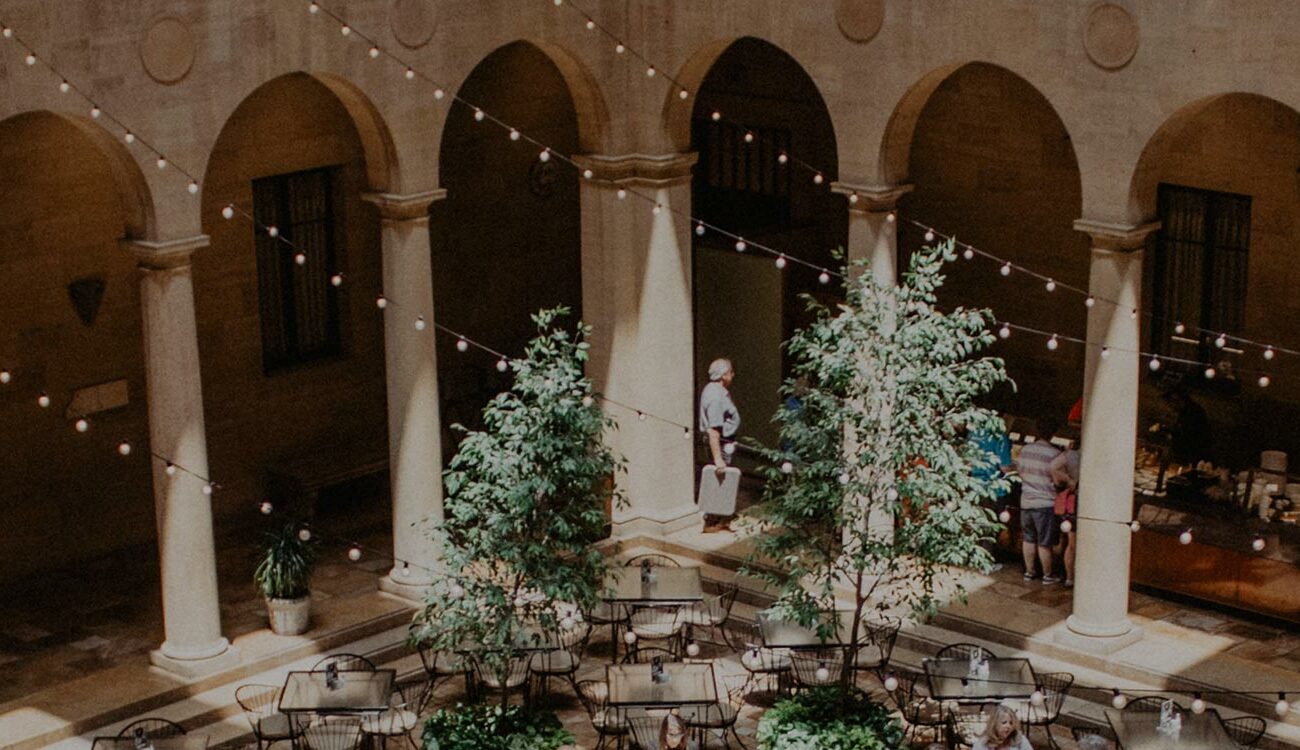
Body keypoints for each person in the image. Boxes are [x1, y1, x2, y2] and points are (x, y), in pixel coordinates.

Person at [1016, 416, 1062, 583]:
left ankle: (1029, 572)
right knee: (1044, 542)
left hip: (1026, 500)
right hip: (1045, 502)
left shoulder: (1026, 450)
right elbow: (1058, 480)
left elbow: (1020, 471)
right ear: (1053, 433)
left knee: (1028, 538)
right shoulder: (1055, 454)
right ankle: (1047, 575)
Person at [699, 358, 740, 533]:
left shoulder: (716, 390)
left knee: (724, 481)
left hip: (726, 441)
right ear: (723, 375)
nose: (733, 375)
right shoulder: (715, 397)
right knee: (720, 479)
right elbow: (713, 431)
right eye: (730, 372)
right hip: (720, 443)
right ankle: (712, 520)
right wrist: (718, 459)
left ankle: (722, 517)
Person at [971, 417, 1014, 572]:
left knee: (977, 524)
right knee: (990, 526)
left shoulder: (974, 433)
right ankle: (986, 563)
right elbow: (1004, 467)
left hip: (975, 486)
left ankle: (975, 558)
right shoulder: (1000, 437)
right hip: (993, 488)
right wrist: (1017, 468)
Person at [1050, 437, 1081, 588]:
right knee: (1073, 542)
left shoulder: (1070, 454)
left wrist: (1066, 481)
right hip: (1080, 501)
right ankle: (1072, 576)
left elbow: (1053, 467)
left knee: (1069, 541)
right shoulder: (1086, 454)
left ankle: (1068, 576)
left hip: (1071, 501)